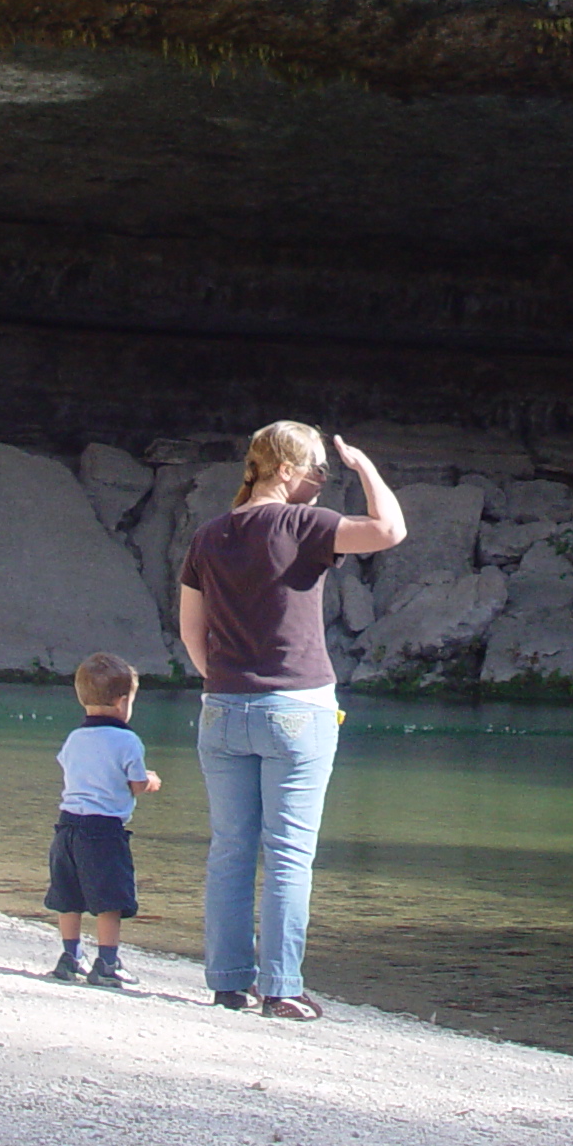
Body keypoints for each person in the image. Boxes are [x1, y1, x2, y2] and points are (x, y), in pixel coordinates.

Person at [177, 423, 404, 1019]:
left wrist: (222, 681)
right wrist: (364, 467)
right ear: (286, 471)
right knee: (287, 853)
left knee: (230, 849)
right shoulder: (304, 525)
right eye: (317, 472)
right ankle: (280, 987)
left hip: (223, 709)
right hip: (298, 709)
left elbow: (190, 632)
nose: (322, 483)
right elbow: (390, 530)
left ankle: (228, 983)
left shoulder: (208, 535)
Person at [46, 651, 160, 989]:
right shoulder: (127, 740)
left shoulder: (75, 738)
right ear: (123, 702)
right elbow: (136, 783)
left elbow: (72, 769)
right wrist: (150, 781)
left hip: (66, 825)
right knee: (110, 899)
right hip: (104, 828)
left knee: (68, 894)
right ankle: (107, 962)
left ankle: (70, 957)